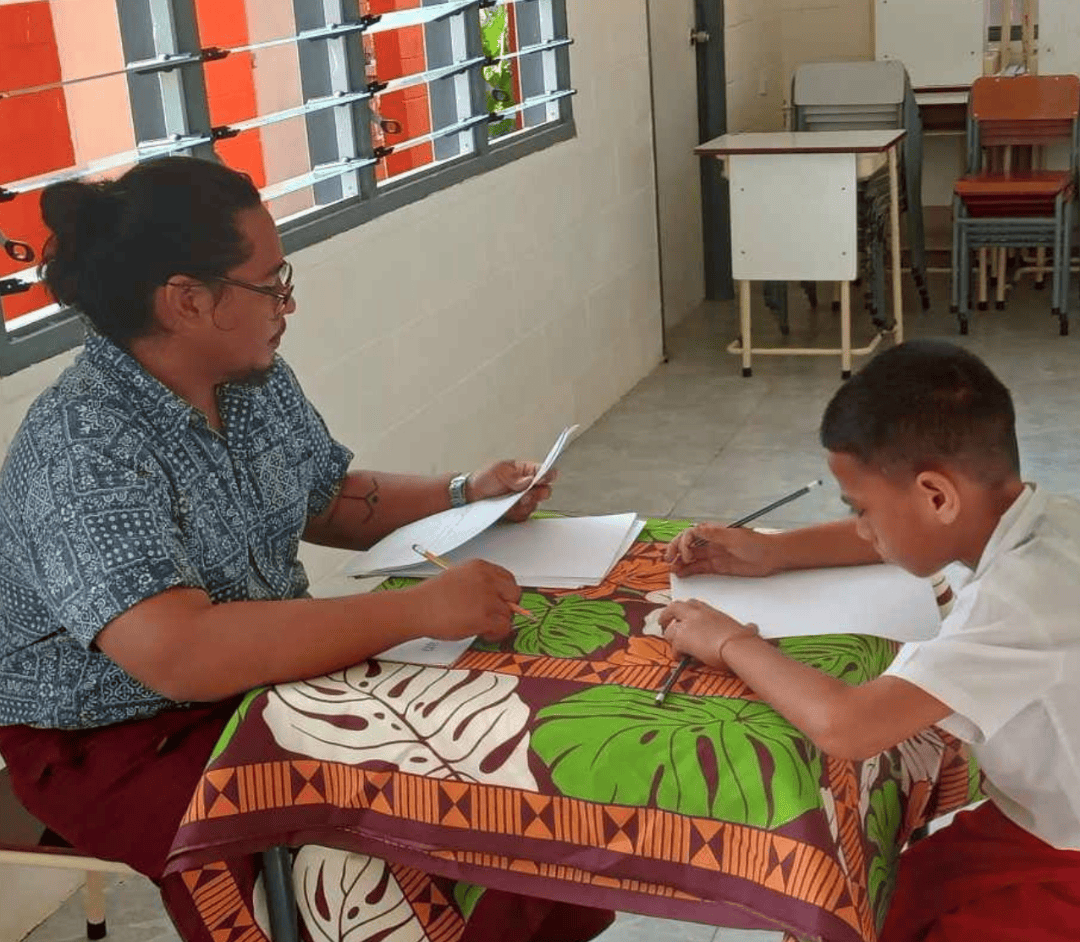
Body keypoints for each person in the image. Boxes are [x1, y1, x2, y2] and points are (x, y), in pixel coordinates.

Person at [0, 156, 612, 942]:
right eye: (269, 283)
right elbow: (179, 653)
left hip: (252, 679)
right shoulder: (86, 444)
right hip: (112, 736)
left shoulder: (250, 380)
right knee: (356, 864)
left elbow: (327, 496)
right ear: (187, 299)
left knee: (496, 779)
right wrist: (418, 608)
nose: (288, 303)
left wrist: (465, 493)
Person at [659, 339, 1080, 941]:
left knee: (861, 917)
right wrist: (774, 552)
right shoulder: (1045, 517)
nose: (860, 527)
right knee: (867, 905)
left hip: (1064, 857)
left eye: (861, 508)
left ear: (936, 495)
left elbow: (848, 726)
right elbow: (895, 534)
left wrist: (730, 641)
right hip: (1037, 821)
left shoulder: (1019, 601)